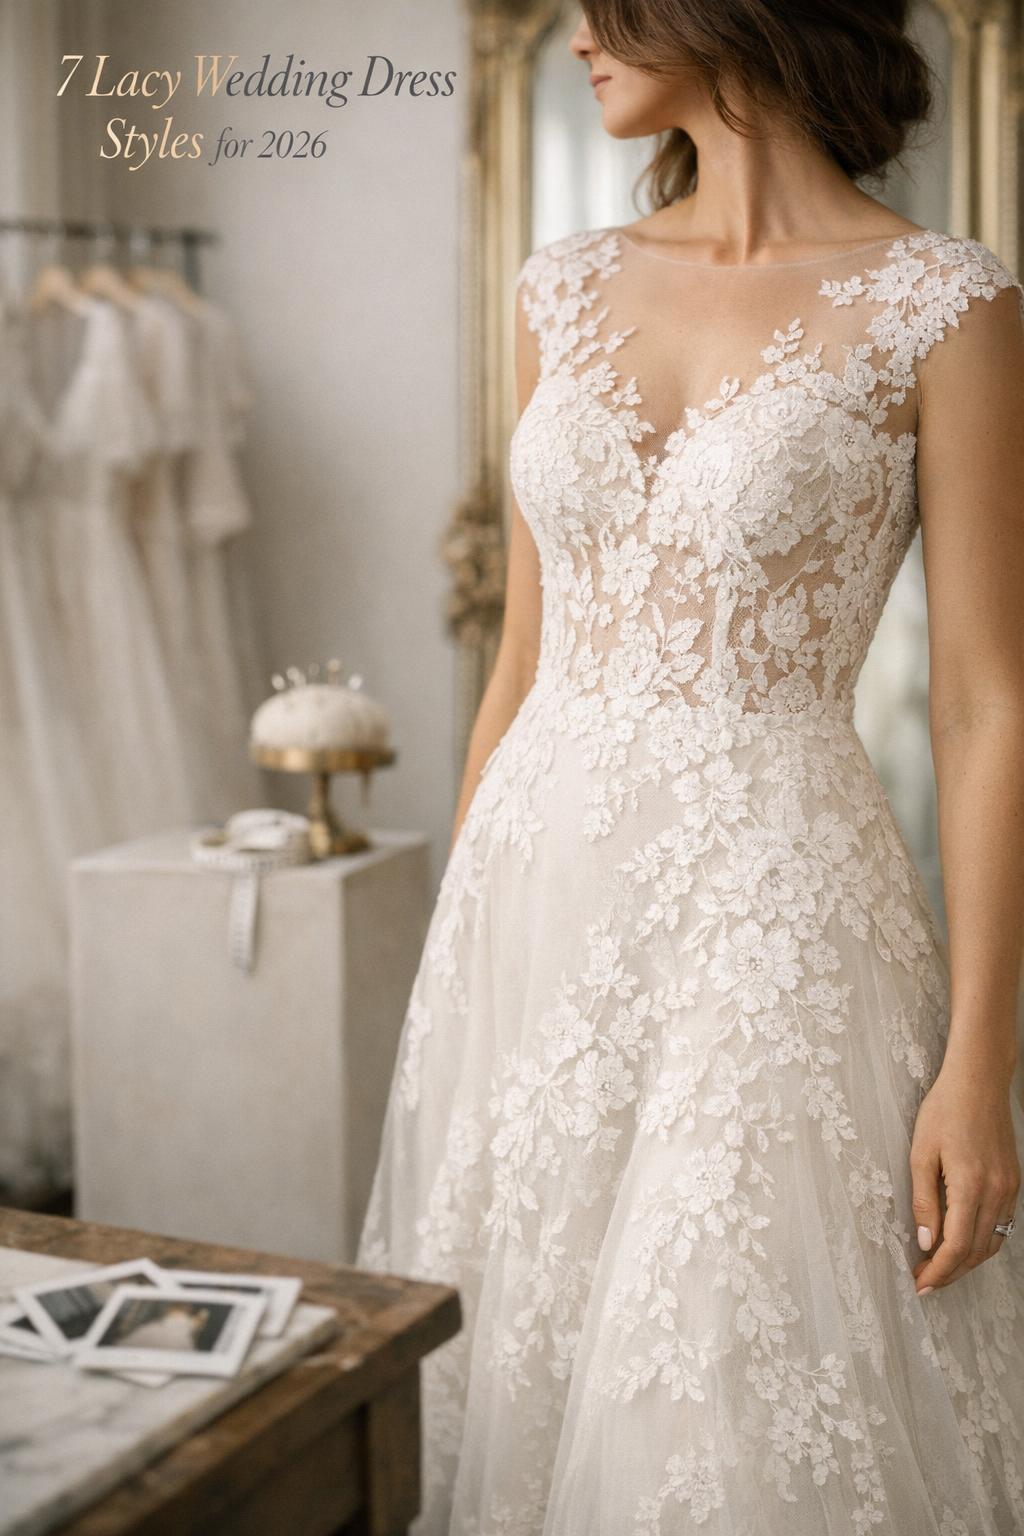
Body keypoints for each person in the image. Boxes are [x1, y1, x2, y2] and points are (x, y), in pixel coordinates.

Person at [357, 3, 1024, 1531]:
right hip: (539, 904)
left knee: (722, 1390)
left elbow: (990, 704)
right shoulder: (565, 285)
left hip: (775, 919)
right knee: (525, 1352)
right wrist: (463, 948)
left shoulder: (944, 303)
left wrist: (982, 1064)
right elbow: (522, 662)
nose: (580, 32)